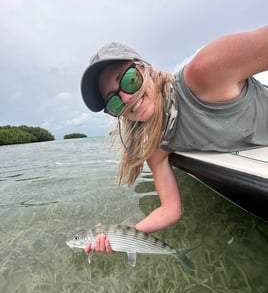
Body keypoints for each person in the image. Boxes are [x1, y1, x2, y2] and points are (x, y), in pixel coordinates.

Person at [81, 25, 268, 255]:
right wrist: (120, 236)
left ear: (146, 69)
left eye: (129, 80)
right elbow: (170, 210)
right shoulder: (156, 147)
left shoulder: (203, 71)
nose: (127, 99)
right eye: (114, 102)